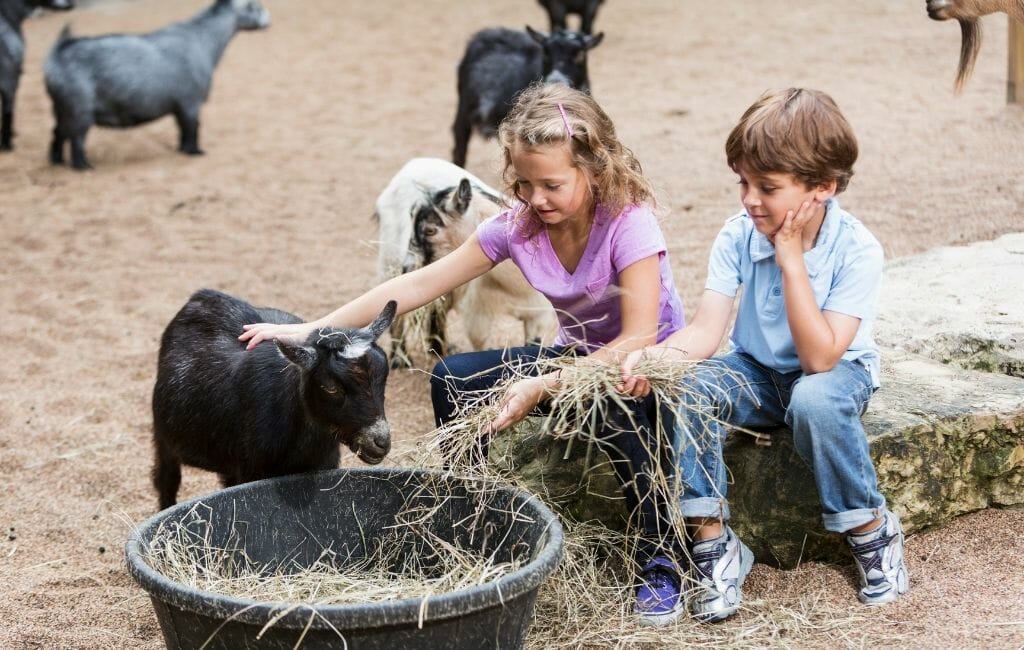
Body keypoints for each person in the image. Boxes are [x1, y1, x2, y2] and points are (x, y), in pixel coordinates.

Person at [239, 82, 688, 625]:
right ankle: (469, 523)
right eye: (523, 183)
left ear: (595, 170)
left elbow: (637, 338)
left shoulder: (628, 221)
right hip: (572, 357)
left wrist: (540, 386)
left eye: (551, 184)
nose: (536, 198)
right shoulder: (520, 225)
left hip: (644, 366)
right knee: (453, 376)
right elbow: (419, 285)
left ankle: (661, 556)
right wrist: (309, 329)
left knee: (625, 408)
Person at [617, 87, 909, 624]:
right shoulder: (737, 235)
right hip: (754, 372)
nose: (750, 199)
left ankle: (871, 532)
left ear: (824, 187)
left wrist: (791, 258)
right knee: (688, 388)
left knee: (815, 402)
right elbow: (706, 332)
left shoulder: (856, 249)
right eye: (743, 183)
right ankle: (713, 544)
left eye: (767, 187)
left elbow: (821, 358)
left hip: (834, 373)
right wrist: (657, 360)